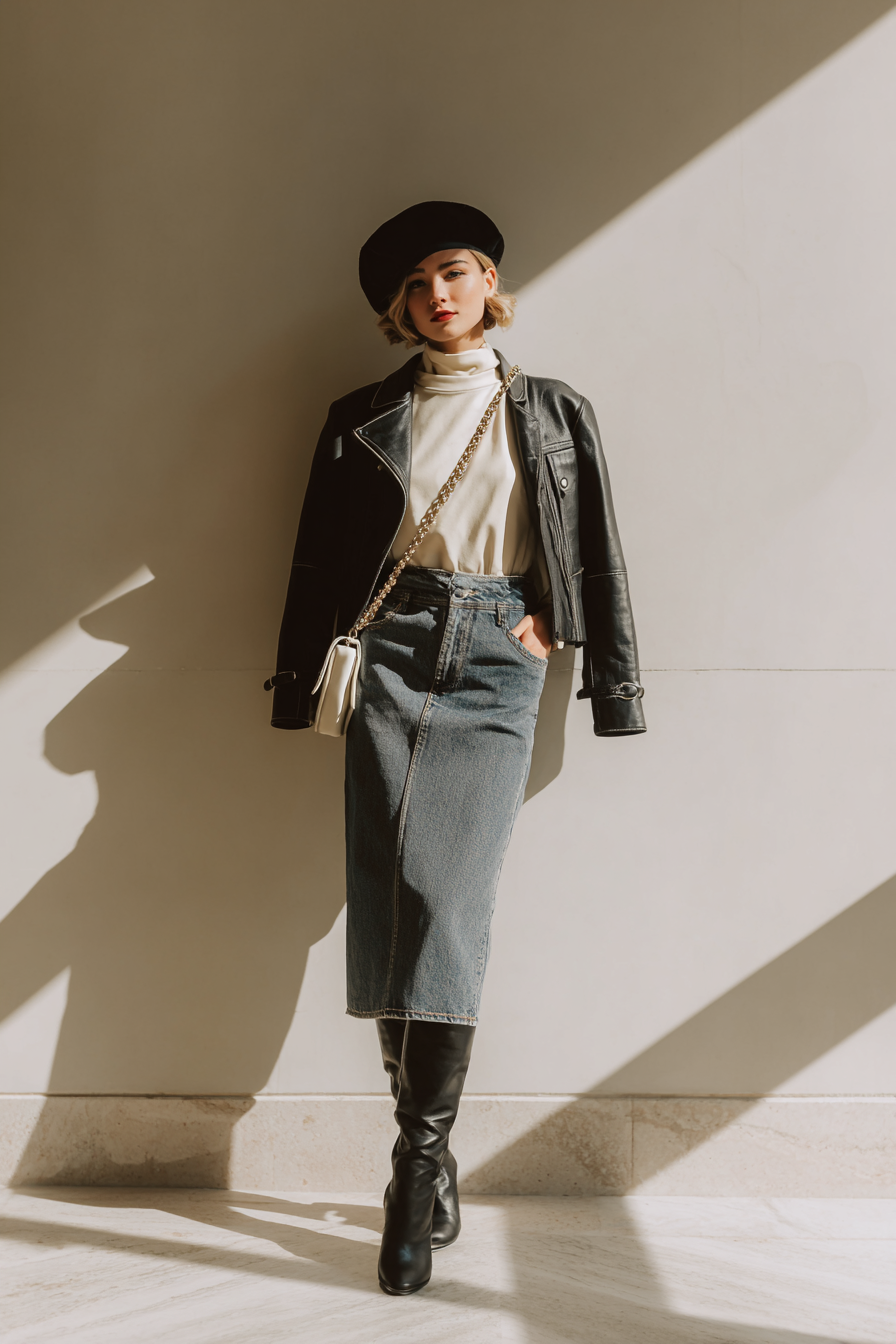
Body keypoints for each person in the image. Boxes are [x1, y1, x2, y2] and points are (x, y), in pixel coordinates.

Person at [265, 201, 645, 1296]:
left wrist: (571, 642)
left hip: (494, 658)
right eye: (418, 284)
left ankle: (411, 1166)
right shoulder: (359, 415)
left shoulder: (553, 410)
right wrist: (298, 684)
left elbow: (597, 551)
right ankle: (426, 1168)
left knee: (447, 898)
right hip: (391, 648)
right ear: (398, 309)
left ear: (488, 282)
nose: (439, 294)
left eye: (456, 271)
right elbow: (311, 561)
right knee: (389, 894)